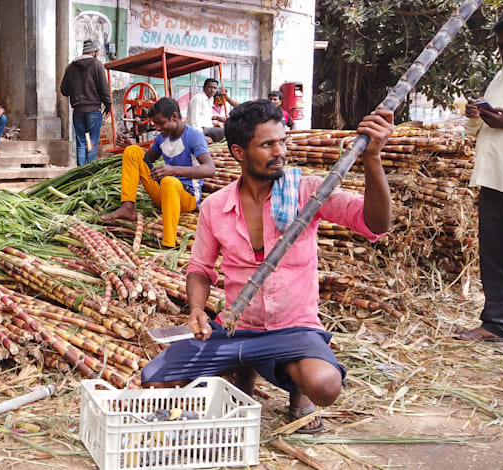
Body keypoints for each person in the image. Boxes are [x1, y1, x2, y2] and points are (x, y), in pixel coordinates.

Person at [141, 99, 394, 433]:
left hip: (294, 329)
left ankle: (297, 388)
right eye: (267, 144)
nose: (280, 151)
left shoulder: (307, 192)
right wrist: (197, 310)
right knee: (156, 381)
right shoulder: (216, 207)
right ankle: (243, 368)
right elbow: (200, 268)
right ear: (238, 152)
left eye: (283, 141)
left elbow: (376, 223)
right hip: (237, 327)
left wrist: (372, 159)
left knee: (326, 385)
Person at [455, 7, 503, 353]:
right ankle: (495, 325)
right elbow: (475, 130)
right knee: (494, 256)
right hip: (494, 179)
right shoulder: (500, 78)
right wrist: (475, 115)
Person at [101, 97, 215, 248]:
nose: (157, 128)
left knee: (169, 181)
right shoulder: (162, 138)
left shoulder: (194, 136)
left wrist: (173, 170)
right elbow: (145, 160)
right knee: (133, 151)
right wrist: (131, 146)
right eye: (155, 124)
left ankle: (168, 243)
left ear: (174, 117)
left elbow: (209, 168)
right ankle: (128, 207)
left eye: (160, 123)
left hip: (187, 197)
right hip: (163, 194)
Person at [61, 39, 112, 166]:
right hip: (93, 110)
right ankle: (90, 171)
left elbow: (64, 90)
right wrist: (108, 105)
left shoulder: (70, 67)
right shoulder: (96, 65)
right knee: (92, 142)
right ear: (94, 52)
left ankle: (81, 171)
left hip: (78, 111)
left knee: (81, 142)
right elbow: (104, 88)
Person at [186, 78, 225, 142]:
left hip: (208, 128)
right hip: (199, 130)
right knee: (223, 133)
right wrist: (200, 136)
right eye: (210, 87)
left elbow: (206, 115)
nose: (212, 90)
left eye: (215, 88)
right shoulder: (198, 98)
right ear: (204, 87)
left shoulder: (211, 99)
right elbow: (194, 120)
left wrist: (216, 118)